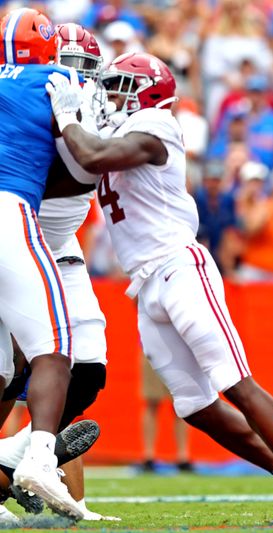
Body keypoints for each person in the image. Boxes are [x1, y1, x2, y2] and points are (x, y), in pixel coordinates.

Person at [45, 52, 273, 525]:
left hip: (180, 266)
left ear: (150, 91)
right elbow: (75, 166)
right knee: (196, 407)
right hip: (144, 282)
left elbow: (92, 155)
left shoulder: (157, 123)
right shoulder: (116, 132)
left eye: (121, 86)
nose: (112, 94)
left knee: (234, 381)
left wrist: (68, 117)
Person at [0, 7, 90, 520]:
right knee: (54, 347)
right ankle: (36, 455)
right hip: (11, 211)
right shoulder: (57, 78)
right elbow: (82, 170)